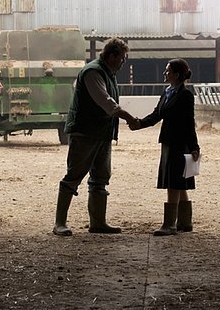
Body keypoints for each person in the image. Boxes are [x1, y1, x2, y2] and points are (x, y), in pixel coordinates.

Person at [53, 37, 138, 236]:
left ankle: (98, 222)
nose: (123, 63)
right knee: (74, 176)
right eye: (122, 58)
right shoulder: (93, 72)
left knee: (101, 177)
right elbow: (106, 103)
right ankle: (59, 223)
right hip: (85, 132)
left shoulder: (107, 72)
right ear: (112, 56)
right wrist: (129, 118)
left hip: (101, 133)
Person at [130, 58, 200, 235]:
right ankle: (185, 222)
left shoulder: (185, 95)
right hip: (168, 142)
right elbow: (156, 115)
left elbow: (188, 122)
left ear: (176, 74)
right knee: (179, 181)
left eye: (168, 70)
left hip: (179, 143)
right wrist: (139, 124)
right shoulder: (167, 92)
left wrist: (194, 146)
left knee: (173, 182)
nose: (165, 73)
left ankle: (169, 224)